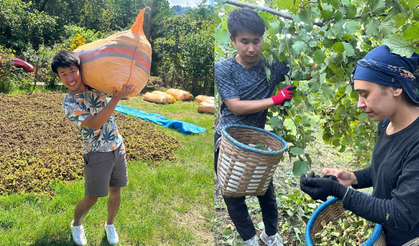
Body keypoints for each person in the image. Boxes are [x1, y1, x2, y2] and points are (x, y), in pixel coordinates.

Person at [300, 45, 419, 246]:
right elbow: (387, 171)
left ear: (396, 87)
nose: (359, 104)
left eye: (364, 94)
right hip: (381, 233)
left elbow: (402, 215)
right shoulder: (386, 123)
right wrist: (353, 179)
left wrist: (339, 192)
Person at [215, 7, 296, 246]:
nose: (251, 48)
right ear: (232, 40)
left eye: (256, 41)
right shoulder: (224, 68)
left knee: (265, 191)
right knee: (232, 194)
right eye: (244, 42)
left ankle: (270, 235)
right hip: (229, 140)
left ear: (263, 39)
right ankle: (249, 239)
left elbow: (301, 72)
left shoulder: (270, 67)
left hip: (257, 141)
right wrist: (276, 99)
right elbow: (236, 106)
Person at [51, 51, 134, 246]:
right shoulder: (69, 104)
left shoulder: (94, 83)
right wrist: (116, 98)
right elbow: (96, 123)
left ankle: (110, 224)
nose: (70, 78)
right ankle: (77, 224)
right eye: (64, 74)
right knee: (92, 197)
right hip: (96, 153)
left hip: (116, 146)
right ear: (59, 77)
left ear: (79, 69)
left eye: (72, 71)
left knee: (116, 190)